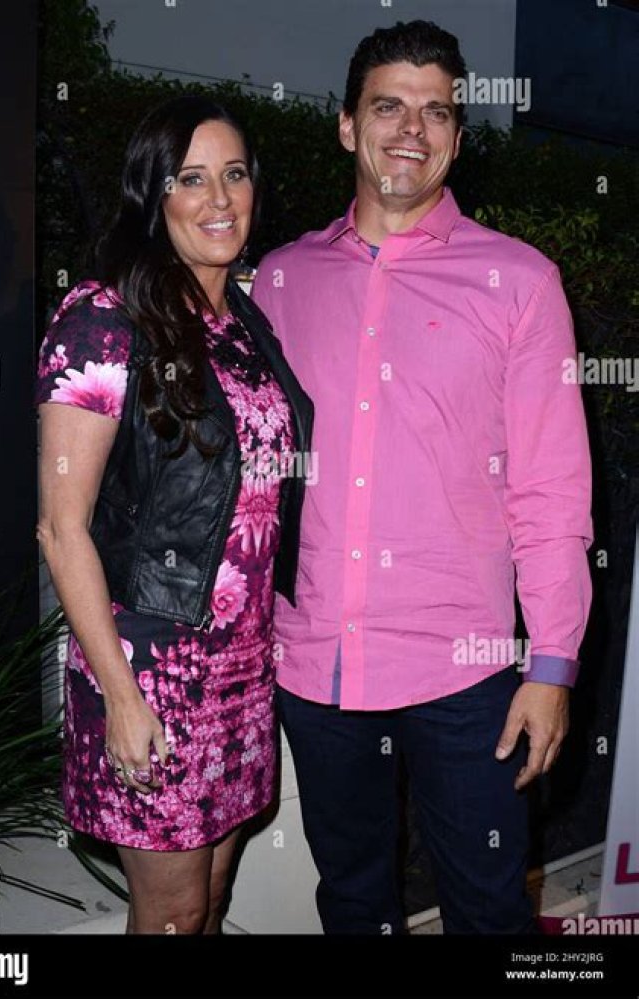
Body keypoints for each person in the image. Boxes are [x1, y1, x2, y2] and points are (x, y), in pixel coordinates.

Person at [251, 20, 593, 934]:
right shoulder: (279, 281)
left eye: (436, 112)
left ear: (457, 136)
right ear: (346, 125)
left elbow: (552, 491)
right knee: (353, 902)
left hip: (465, 673)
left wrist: (552, 664)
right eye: (388, 106)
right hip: (315, 662)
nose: (412, 129)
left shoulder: (521, 282)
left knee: (488, 909)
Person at [34, 95, 313, 935]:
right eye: (190, 179)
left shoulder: (244, 322)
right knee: (172, 913)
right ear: (152, 194)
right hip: (151, 666)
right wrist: (121, 696)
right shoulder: (102, 317)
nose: (219, 199)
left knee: (212, 900)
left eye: (234, 174)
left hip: (243, 666)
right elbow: (61, 527)